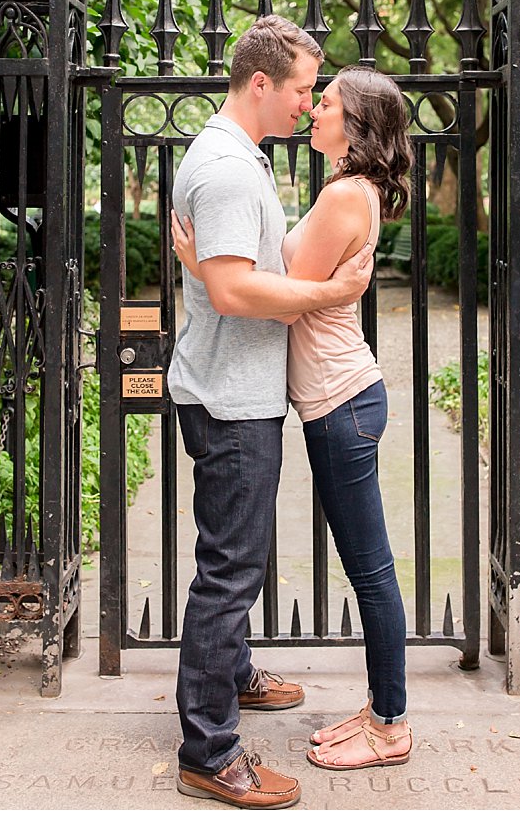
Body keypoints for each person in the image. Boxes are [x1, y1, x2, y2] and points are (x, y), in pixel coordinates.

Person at [172, 64, 415, 773]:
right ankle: (382, 711)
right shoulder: (345, 190)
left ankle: (390, 723)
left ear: (358, 124)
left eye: (328, 101)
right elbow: (275, 278)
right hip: (337, 399)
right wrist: (219, 270)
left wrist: (217, 271)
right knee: (366, 568)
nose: (315, 109)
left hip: (342, 402)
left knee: (370, 572)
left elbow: (278, 291)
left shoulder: (344, 195)